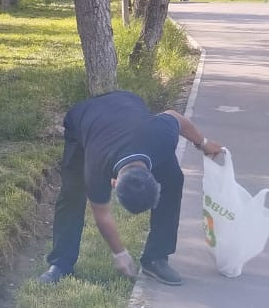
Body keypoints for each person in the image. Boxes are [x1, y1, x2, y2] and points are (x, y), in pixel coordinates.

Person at [38, 90, 224, 286]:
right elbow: (101, 213)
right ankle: (60, 263)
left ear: (153, 176)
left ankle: (156, 258)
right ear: (114, 182)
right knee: (72, 194)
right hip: (84, 117)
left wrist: (203, 143)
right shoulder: (96, 164)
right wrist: (120, 253)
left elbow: (174, 116)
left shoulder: (162, 137)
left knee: (173, 179)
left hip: (128, 103)